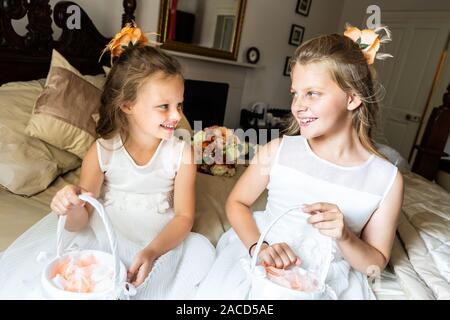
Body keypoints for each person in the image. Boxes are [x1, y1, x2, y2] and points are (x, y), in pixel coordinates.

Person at [0, 24, 215, 299]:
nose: (176, 116)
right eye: (164, 106)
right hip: (108, 233)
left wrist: (151, 252)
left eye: (180, 105)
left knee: (200, 254)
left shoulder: (182, 153)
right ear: (127, 105)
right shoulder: (102, 151)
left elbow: (184, 217)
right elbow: (81, 222)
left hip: (158, 239)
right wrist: (70, 206)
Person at [197, 25, 403, 299]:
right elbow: (237, 203)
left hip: (326, 278)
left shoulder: (386, 179)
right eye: (295, 93)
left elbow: (375, 265)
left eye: (313, 93)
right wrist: (259, 246)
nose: (297, 105)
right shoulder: (278, 150)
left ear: (352, 99)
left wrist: (345, 236)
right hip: (262, 260)